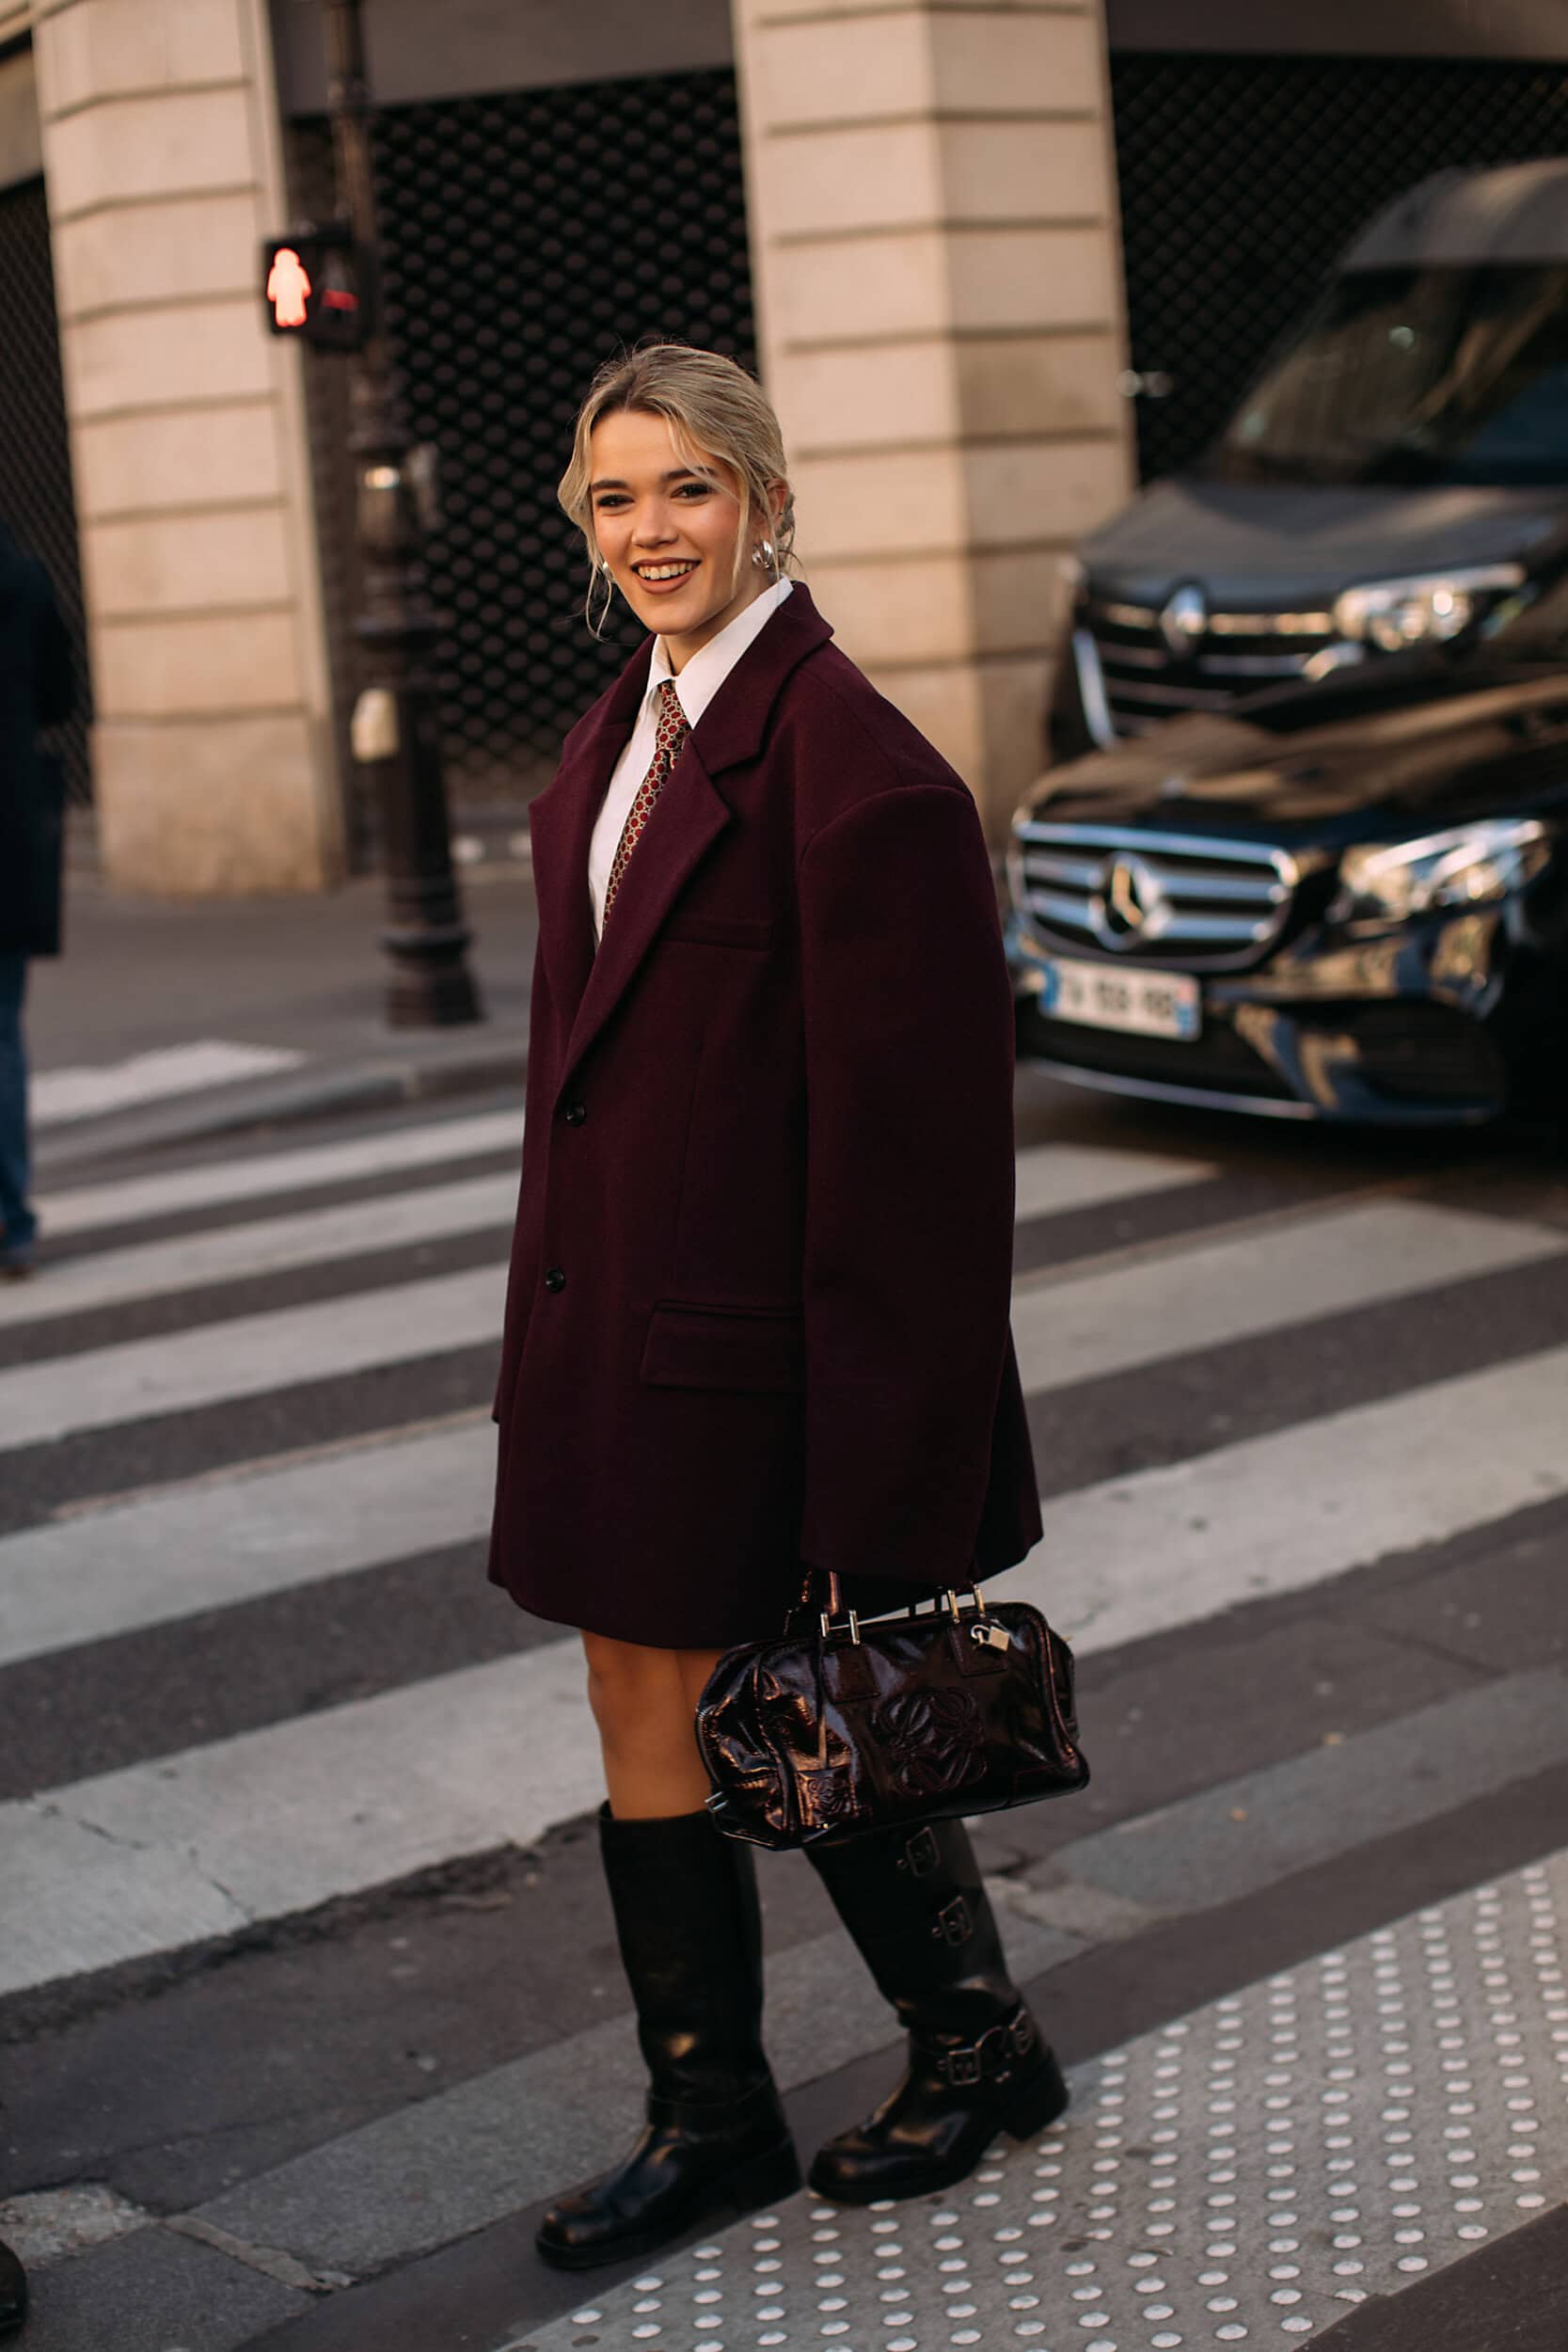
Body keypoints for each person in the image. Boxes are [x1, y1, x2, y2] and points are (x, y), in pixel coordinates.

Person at [488, 343, 1061, 2273]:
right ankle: (711, 2107)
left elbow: (916, 1170)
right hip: (613, 1337)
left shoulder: (856, 769)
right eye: (613, 498)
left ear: (764, 499)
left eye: (686, 491)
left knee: (802, 1702)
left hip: (755, 1356)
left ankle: (973, 2045)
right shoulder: (609, 739)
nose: (649, 530)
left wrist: (880, 1481)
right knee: (634, 1688)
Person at [0, 519, 73, 1279]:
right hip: (8, 829)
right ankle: (11, 1219)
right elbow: (60, 695)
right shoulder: (22, 574)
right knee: (1, 1035)